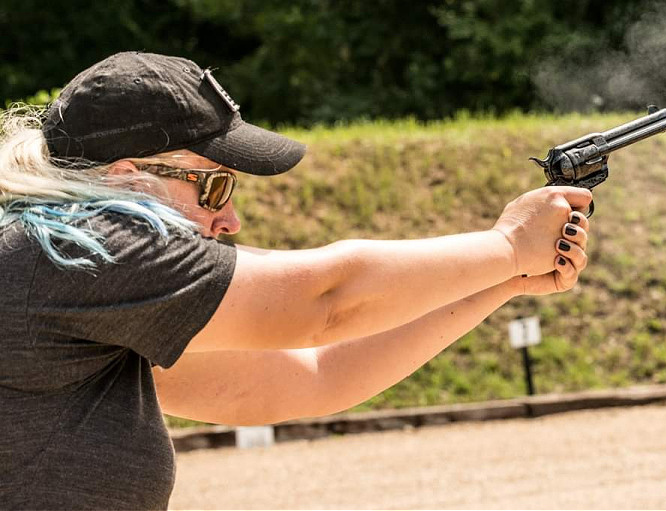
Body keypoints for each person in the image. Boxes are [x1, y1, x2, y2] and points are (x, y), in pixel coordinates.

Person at [0, 52, 591, 509]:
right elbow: (324, 303)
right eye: (213, 186)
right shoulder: (87, 251)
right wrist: (507, 246)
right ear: (129, 177)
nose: (229, 218)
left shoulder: (63, 268)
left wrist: (504, 278)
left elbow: (316, 375)